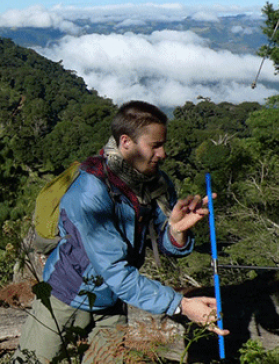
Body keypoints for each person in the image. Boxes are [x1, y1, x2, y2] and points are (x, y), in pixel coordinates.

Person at [14, 101, 228, 363]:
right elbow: (116, 271)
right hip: (65, 295)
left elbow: (166, 245)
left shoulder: (156, 183)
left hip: (112, 301)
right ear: (126, 142)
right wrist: (182, 305)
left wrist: (176, 231)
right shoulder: (90, 190)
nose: (163, 154)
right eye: (155, 145)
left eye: (164, 144)